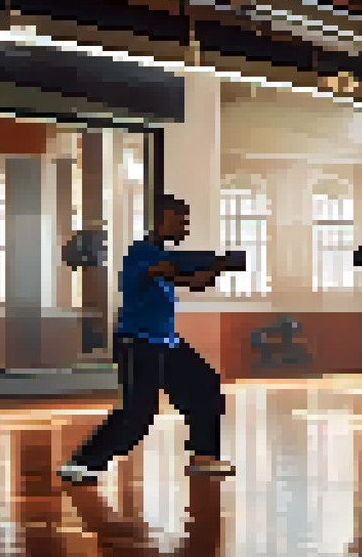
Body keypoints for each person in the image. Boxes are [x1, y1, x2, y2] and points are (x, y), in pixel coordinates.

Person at [58, 194, 235, 485]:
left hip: (166, 342)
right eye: (180, 220)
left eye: (186, 221)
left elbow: (191, 282)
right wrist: (206, 261)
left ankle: (204, 455)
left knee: (205, 386)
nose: (184, 227)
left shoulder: (161, 255)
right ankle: (82, 463)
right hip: (137, 343)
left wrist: (217, 268)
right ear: (160, 220)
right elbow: (166, 269)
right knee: (138, 413)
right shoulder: (141, 253)